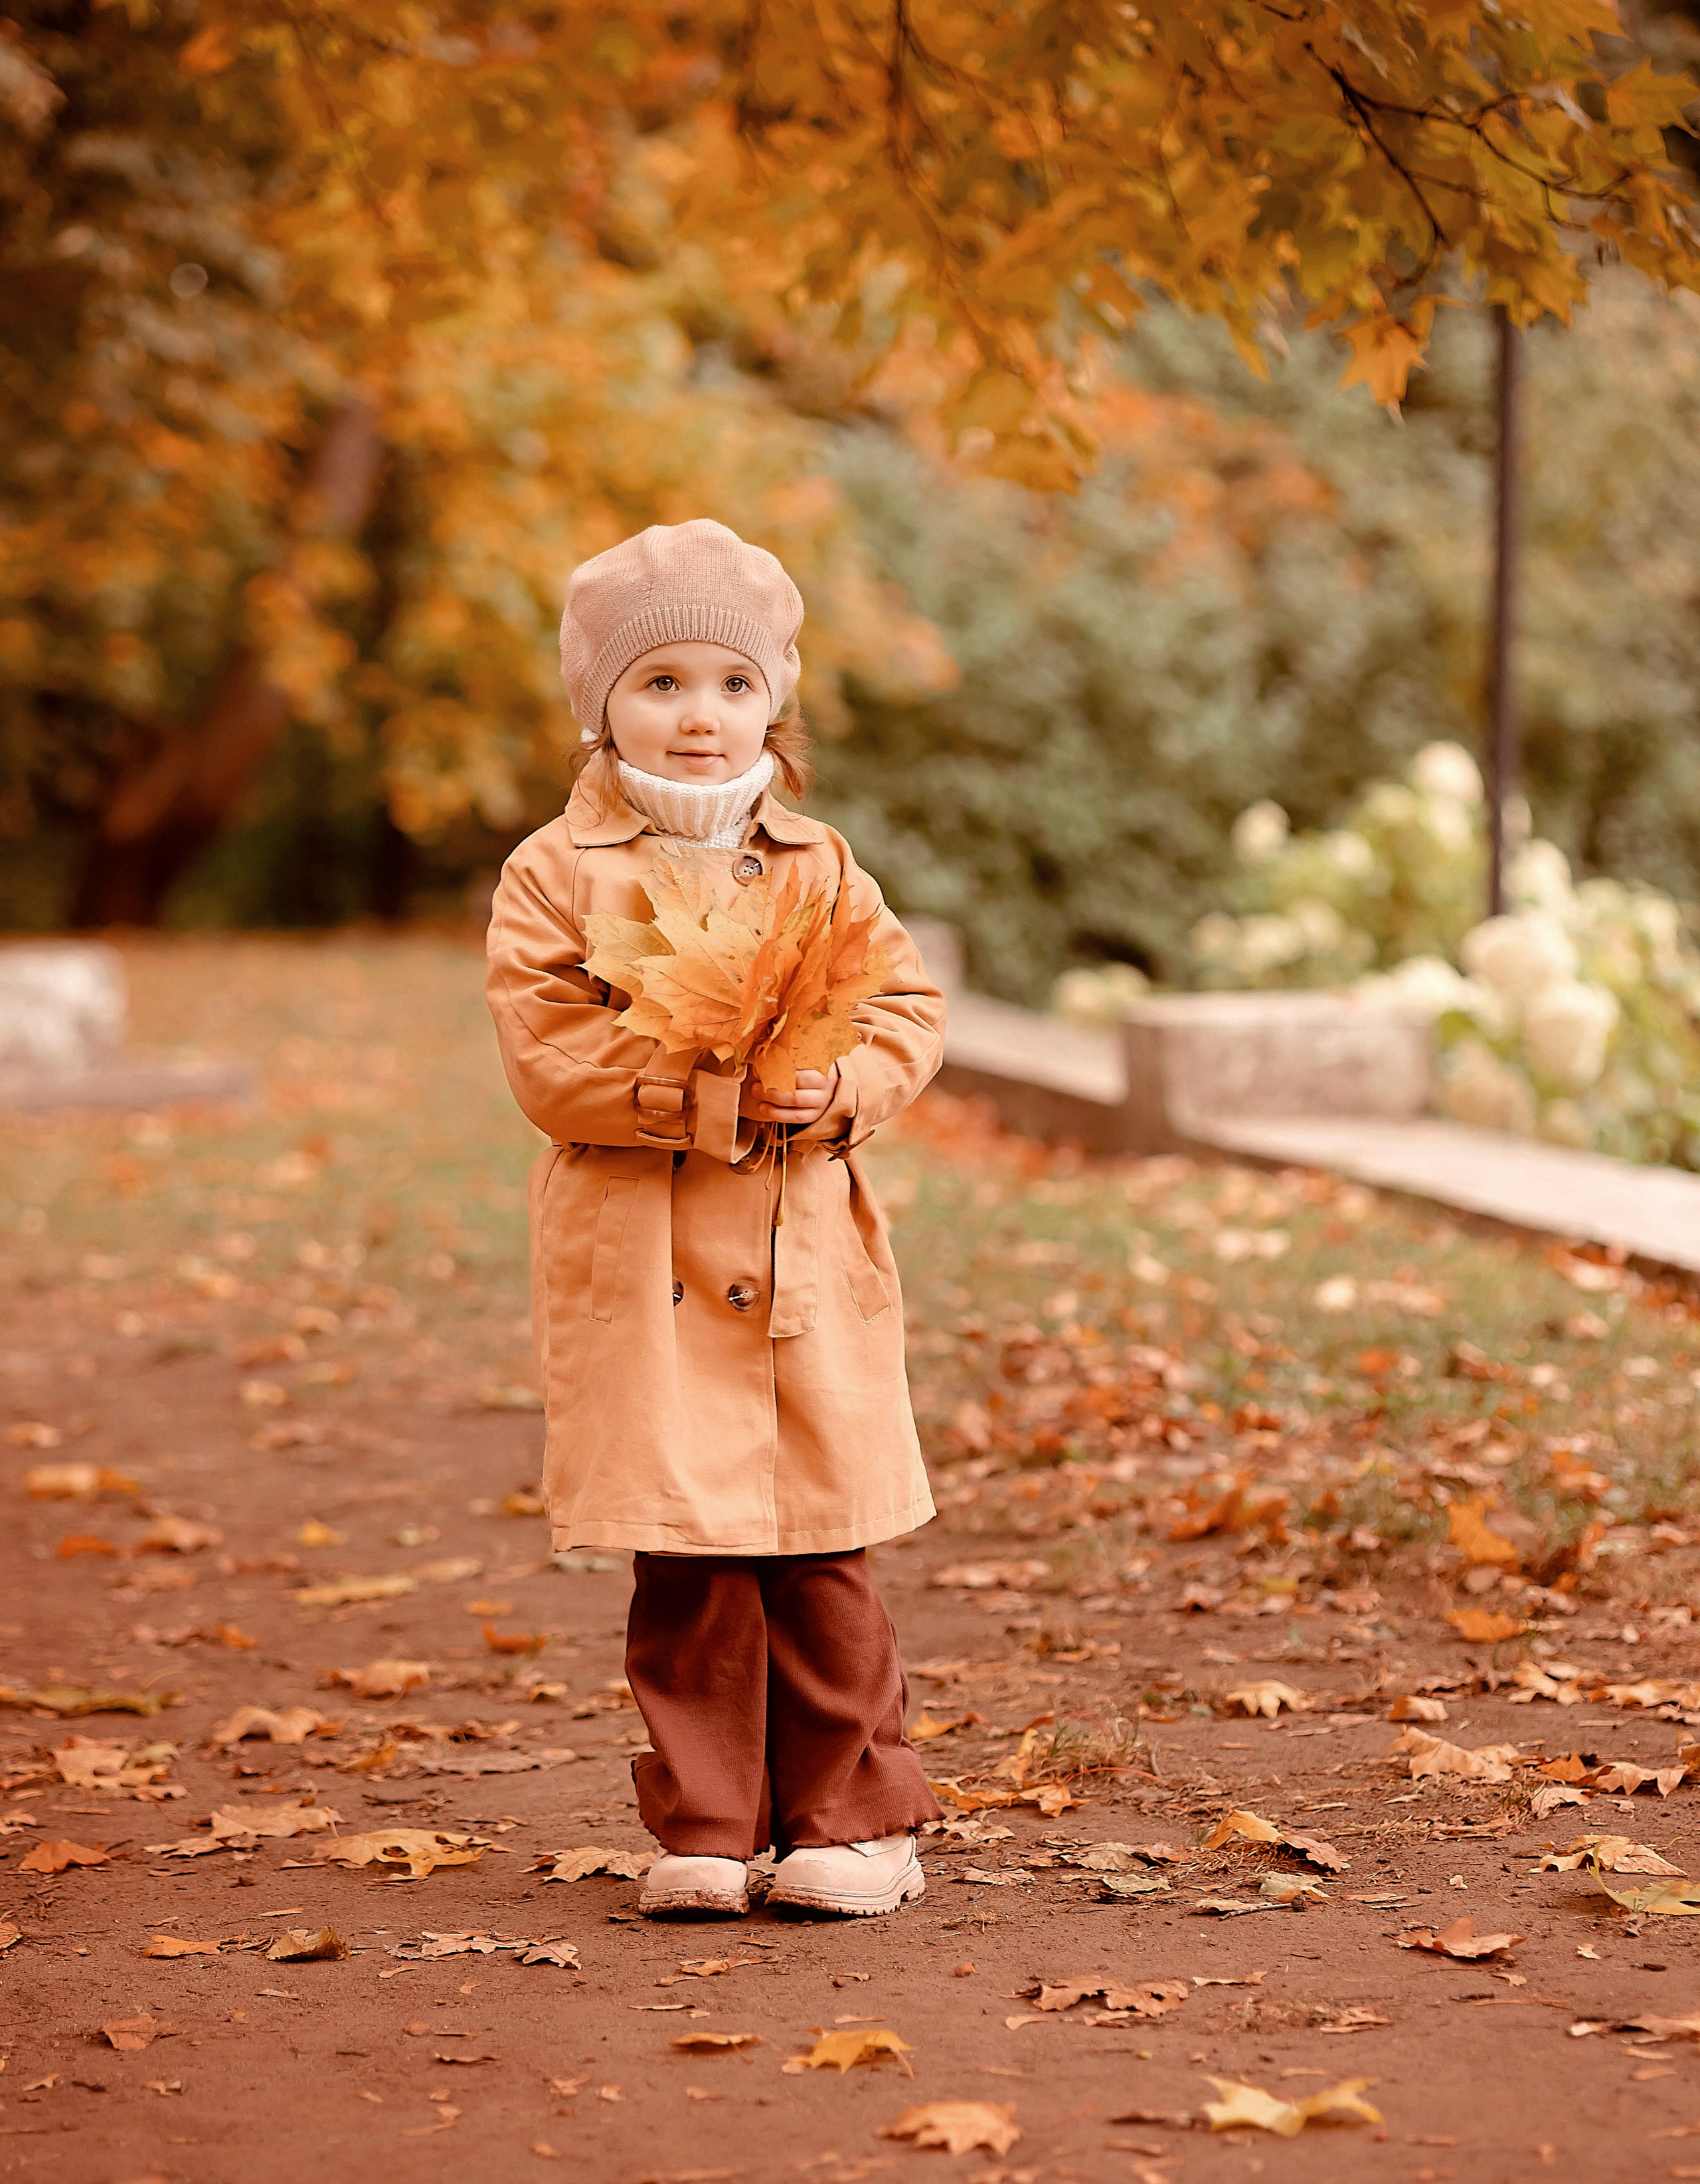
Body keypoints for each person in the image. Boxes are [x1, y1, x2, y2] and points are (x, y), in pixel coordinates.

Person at [485, 518, 946, 1918]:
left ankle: (851, 1822)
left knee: (820, 1544)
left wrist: (842, 1087)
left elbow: (905, 1010)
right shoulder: (556, 874)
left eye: (732, 685)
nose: (700, 715)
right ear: (600, 704)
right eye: (662, 682)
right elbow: (551, 1057)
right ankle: (702, 1821)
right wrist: (706, 1098)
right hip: (645, 1260)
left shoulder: (817, 863)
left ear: (776, 697)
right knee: (683, 1556)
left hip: (799, 1257)